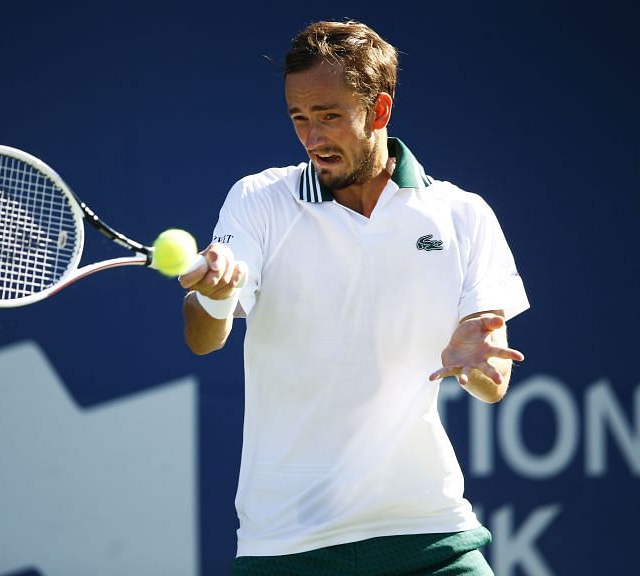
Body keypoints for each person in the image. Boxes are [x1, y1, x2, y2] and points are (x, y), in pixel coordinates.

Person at [180, 19, 529, 576]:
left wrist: (474, 365)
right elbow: (204, 338)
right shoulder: (258, 201)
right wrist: (215, 296)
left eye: (329, 117)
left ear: (380, 111)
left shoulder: (463, 215)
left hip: (428, 530)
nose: (312, 138)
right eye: (299, 118)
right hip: (288, 544)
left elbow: (493, 382)